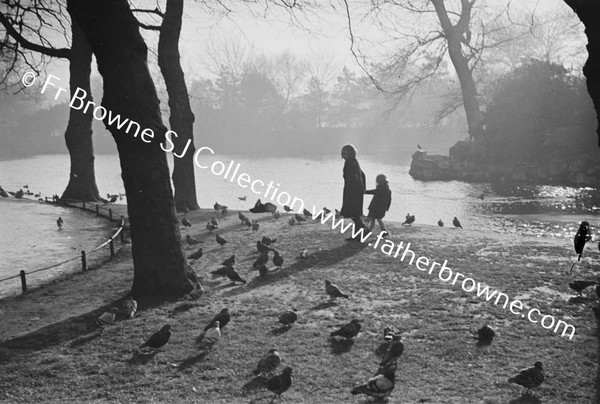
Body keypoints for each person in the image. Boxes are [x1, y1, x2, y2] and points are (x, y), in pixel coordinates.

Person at [340, 144, 368, 240]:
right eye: (342, 153)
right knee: (355, 213)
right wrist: (363, 188)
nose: (343, 156)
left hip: (352, 191)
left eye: (345, 153)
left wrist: (352, 190)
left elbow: (353, 177)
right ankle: (356, 236)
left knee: (352, 213)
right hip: (357, 190)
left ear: (350, 153)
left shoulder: (349, 163)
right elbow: (363, 175)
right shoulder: (355, 161)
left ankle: (364, 229)